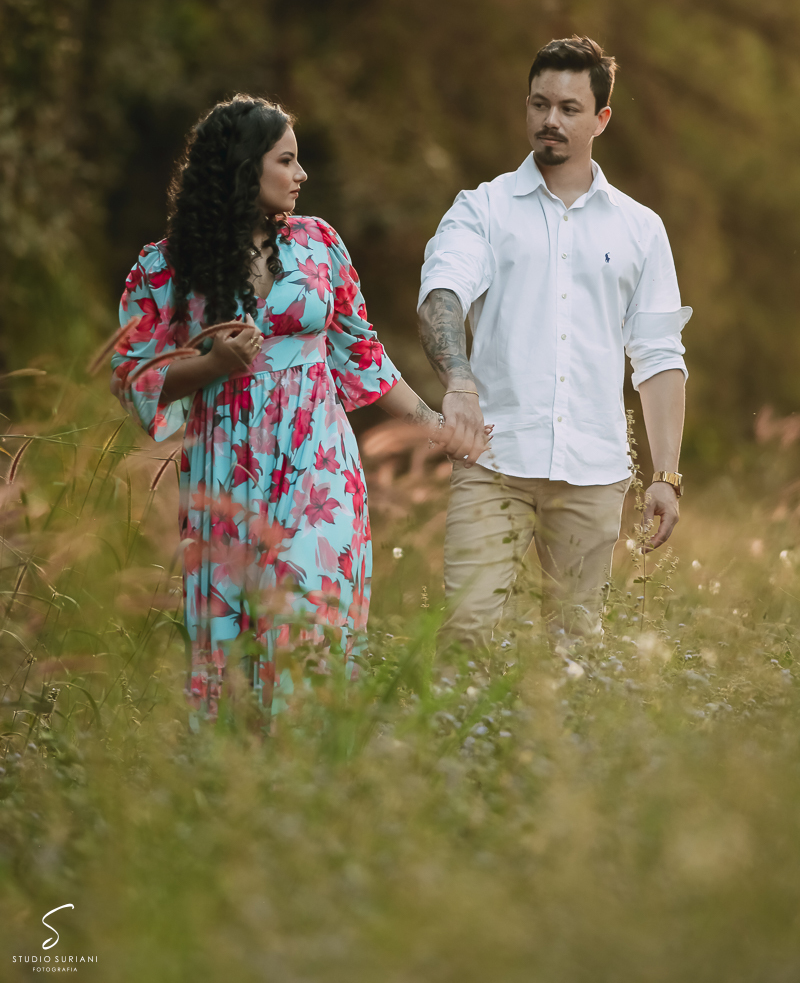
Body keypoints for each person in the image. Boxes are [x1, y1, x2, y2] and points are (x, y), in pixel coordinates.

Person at [111, 94, 467, 716]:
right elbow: (132, 375)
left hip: (317, 464)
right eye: (287, 161)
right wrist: (211, 367)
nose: (301, 176)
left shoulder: (317, 244)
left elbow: (362, 355)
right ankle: (247, 787)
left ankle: (315, 766)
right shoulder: (166, 266)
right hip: (226, 471)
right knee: (237, 648)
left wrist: (434, 426)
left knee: (309, 622)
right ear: (248, 168)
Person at [418, 37, 691, 651]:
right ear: (526, 107)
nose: (550, 120)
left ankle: (557, 748)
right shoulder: (482, 209)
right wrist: (458, 380)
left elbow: (658, 356)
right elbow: (442, 293)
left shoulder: (641, 229)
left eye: (569, 108)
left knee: (574, 647)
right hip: (493, 460)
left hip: (593, 470)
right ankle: (460, 746)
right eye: (540, 104)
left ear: (601, 119)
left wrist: (666, 474)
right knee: (466, 633)